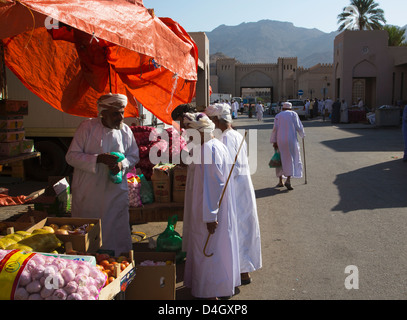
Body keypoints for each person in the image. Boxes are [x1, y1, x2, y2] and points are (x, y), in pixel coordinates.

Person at [65, 93, 140, 256]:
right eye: (115, 113)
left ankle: (117, 262)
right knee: (89, 233)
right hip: (89, 193)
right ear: (103, 112)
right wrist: (98, 159)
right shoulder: (87, 127)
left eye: (122, 113)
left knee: (115, 232)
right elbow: (71, 157)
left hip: (115, 192)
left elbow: (134, 156)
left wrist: (122, 164)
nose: (120, 117)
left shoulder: (125, 131)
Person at [182, 112, 241, 299]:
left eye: (189, 132)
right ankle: (214, 288)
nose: (186, 137)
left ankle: (210, 293)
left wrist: (210, 216)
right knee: (215, 249)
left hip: (209, 212)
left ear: (200, 132)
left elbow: (214, 185)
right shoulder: (208, 146)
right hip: (208, 209)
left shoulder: (210, 149)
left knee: (209, 250)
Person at [205, 104, 262, 285]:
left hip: (234, 191)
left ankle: (235, 273)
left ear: (217, 121)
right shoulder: (236, 135)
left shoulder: (225, 139)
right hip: (242, 189)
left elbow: (228, 170)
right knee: (244, 229)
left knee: (236, 230)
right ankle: (244, 272)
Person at [270, 102, 305, 190]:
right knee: (290, 158)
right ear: (290, 108)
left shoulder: (278, 115)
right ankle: (288, 180)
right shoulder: (293, 114)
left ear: (283, 108)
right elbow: (299, 126)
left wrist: (274, 141)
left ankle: (280, 180)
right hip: (291, 140)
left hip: (280, 140)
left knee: (279, 159)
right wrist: (302, 134)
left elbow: (275, 129)